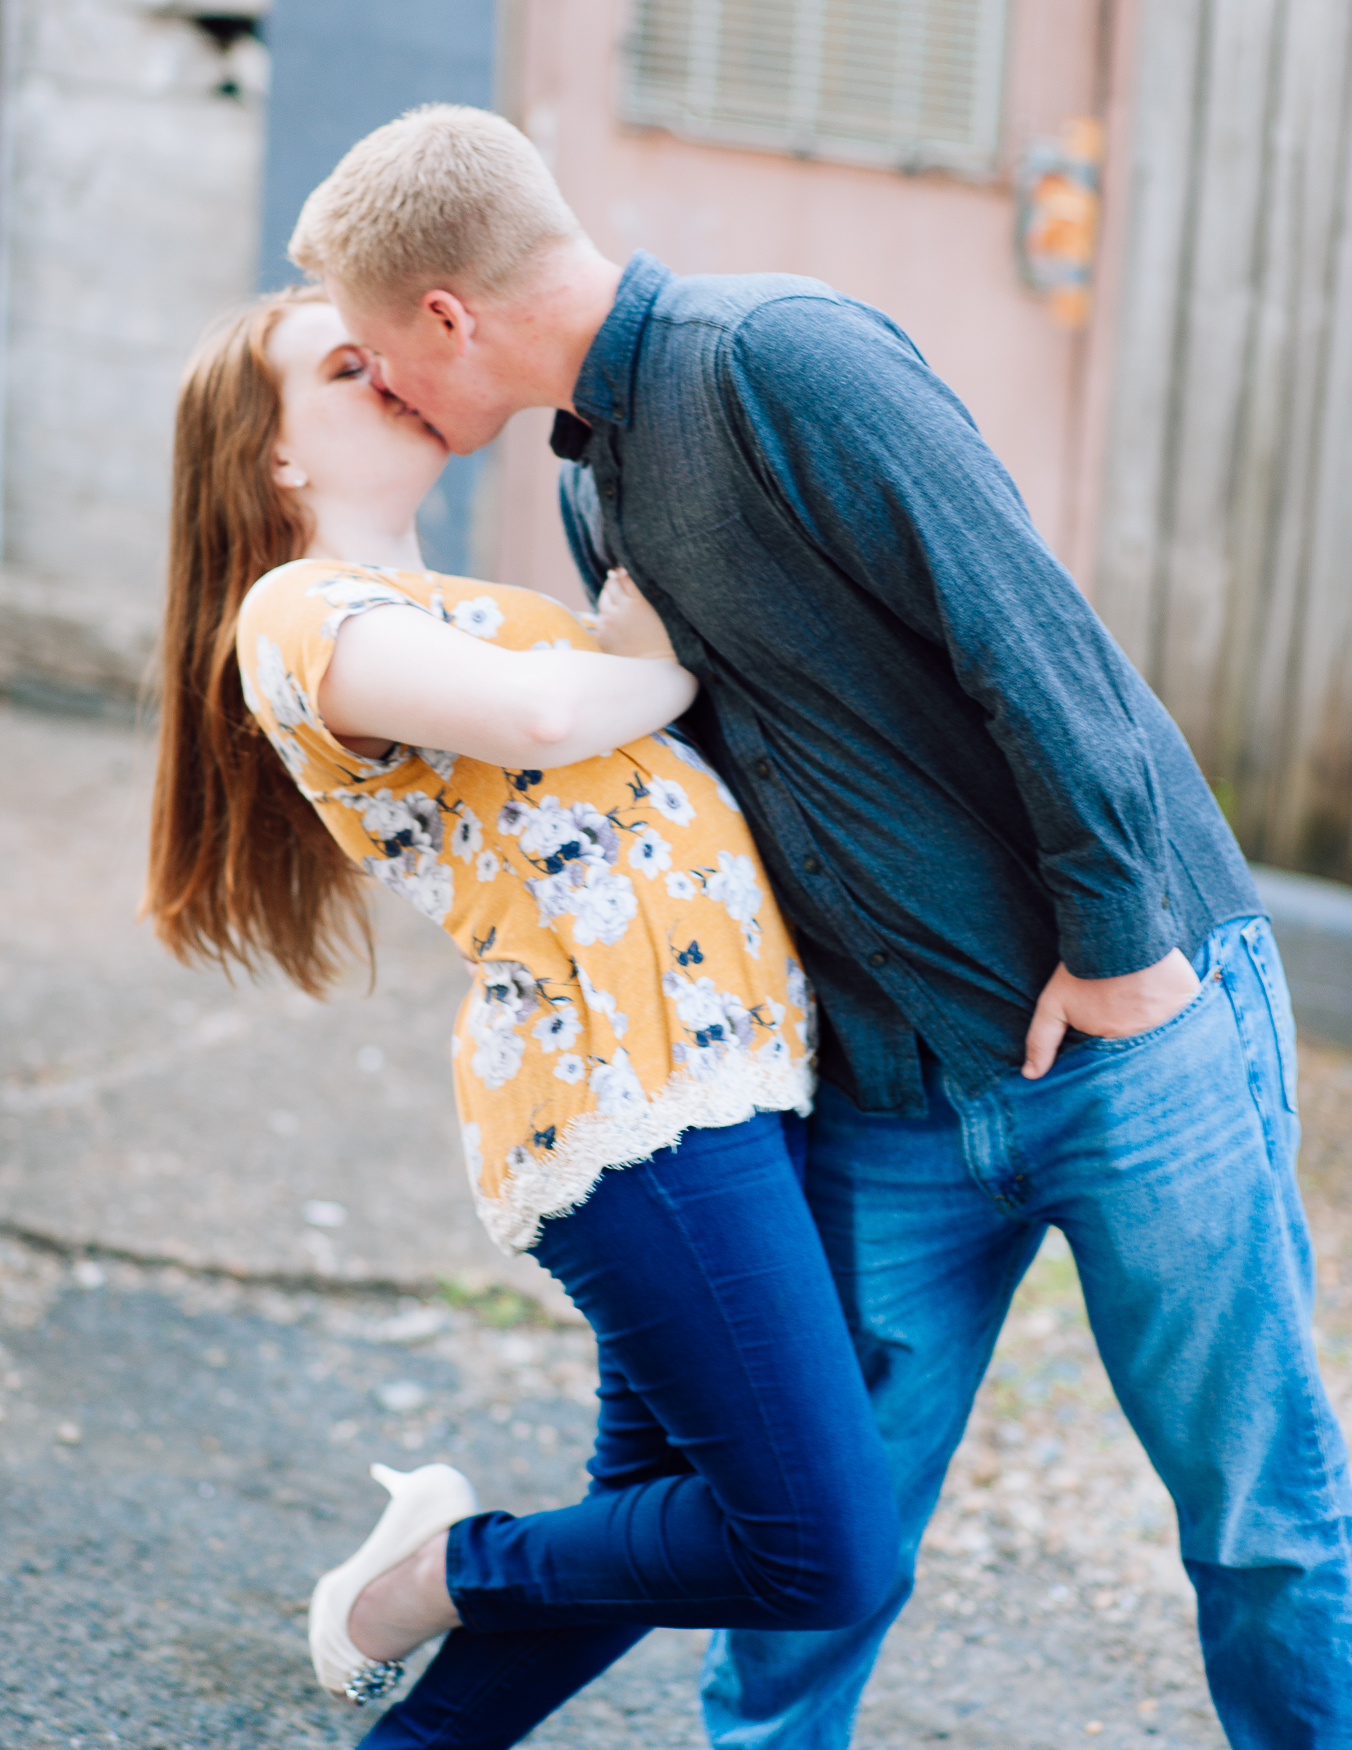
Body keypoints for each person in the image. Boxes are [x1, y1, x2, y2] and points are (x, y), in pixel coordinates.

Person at [283, 103, 1352, 1749]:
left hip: (1129, 1035)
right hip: (893, 1101)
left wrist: (1124, 941)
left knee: (1262, 1524)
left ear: (447, 316)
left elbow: (1031, 634)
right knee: (817, 1563)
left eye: (373, 352)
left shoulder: (781, 355)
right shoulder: (603, 494)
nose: (387, 390)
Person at [144, 283, 901, 1749]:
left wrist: (624, 658)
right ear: (276, 455)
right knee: (821, 1544)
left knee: (639, 1538)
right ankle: (423, 1576)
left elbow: (591, 690)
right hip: (625, 1107)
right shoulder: (297, 612)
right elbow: (557, 718)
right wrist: (655, 662)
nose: (388, 374)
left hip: (731, 1084)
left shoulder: (500, 614)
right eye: (345, 363)